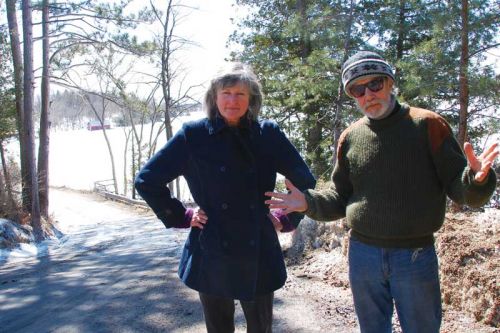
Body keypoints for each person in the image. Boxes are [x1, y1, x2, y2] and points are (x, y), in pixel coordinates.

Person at [265, 51, 498, 333]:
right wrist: (307, 202)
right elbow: (340, 198)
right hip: (363, 255)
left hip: (414, 254)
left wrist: (477, 180)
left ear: (390, 83)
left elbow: (462, 191)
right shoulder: (350, 137)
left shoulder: (427, 124)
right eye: (357, 89)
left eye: (374, 84)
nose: (368, 94)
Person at [135, 62, 316, 333]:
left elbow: (305, 182)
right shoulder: (193, 136)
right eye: (226, 93)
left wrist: (284, 217)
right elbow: (147, 180)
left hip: (258, 247)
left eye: (241, 94)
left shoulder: (268, 134)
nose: (233, 101)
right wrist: (183, 215)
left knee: (261, 328)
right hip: (212, 247)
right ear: (214, 97)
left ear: (252, 99)